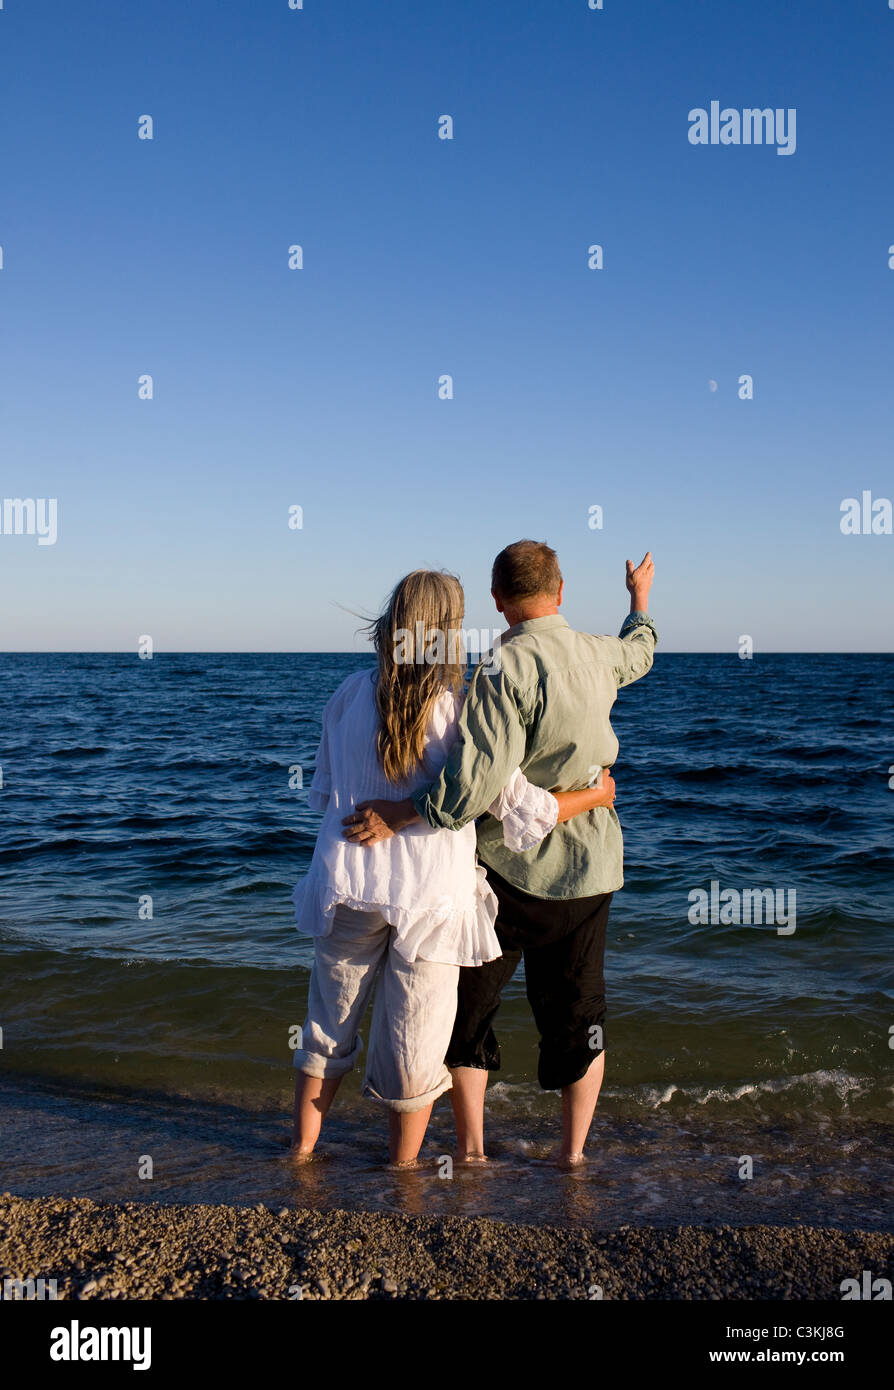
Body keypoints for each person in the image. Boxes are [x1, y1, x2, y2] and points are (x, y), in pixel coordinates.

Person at [343, 541, 656, 1167]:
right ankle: (572, 1158)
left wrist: (403, 812)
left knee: (470, 1014)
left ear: (497, 600)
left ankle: (475, 1151)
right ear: (560, 591)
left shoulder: (498, 668)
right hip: (591, 866)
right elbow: (642, 651)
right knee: (578, 1011)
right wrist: (638, 598)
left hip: (507, 872)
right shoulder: (598, 654)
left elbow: (472, 788)